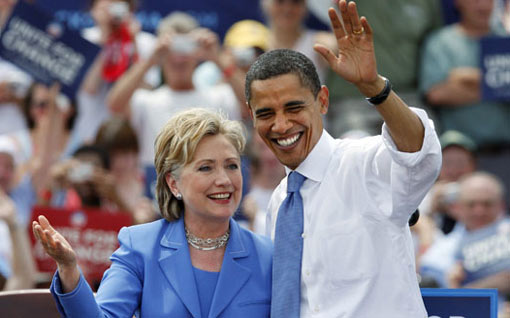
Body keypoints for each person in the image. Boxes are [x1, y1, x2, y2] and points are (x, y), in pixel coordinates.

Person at [245, 1, 441, 317]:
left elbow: (419, 154)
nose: (281, 125)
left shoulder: (363, 163)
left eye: (294, 108)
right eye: (266, 114)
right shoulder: (279, 203)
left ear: (323, 101)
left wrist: (373, 87)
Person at [32, 108, 273, 317]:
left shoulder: (268, 256)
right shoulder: (141, 247)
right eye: (206, 168)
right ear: (173, 183)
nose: (224, 179)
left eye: (231, 165)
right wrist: (69, 269)